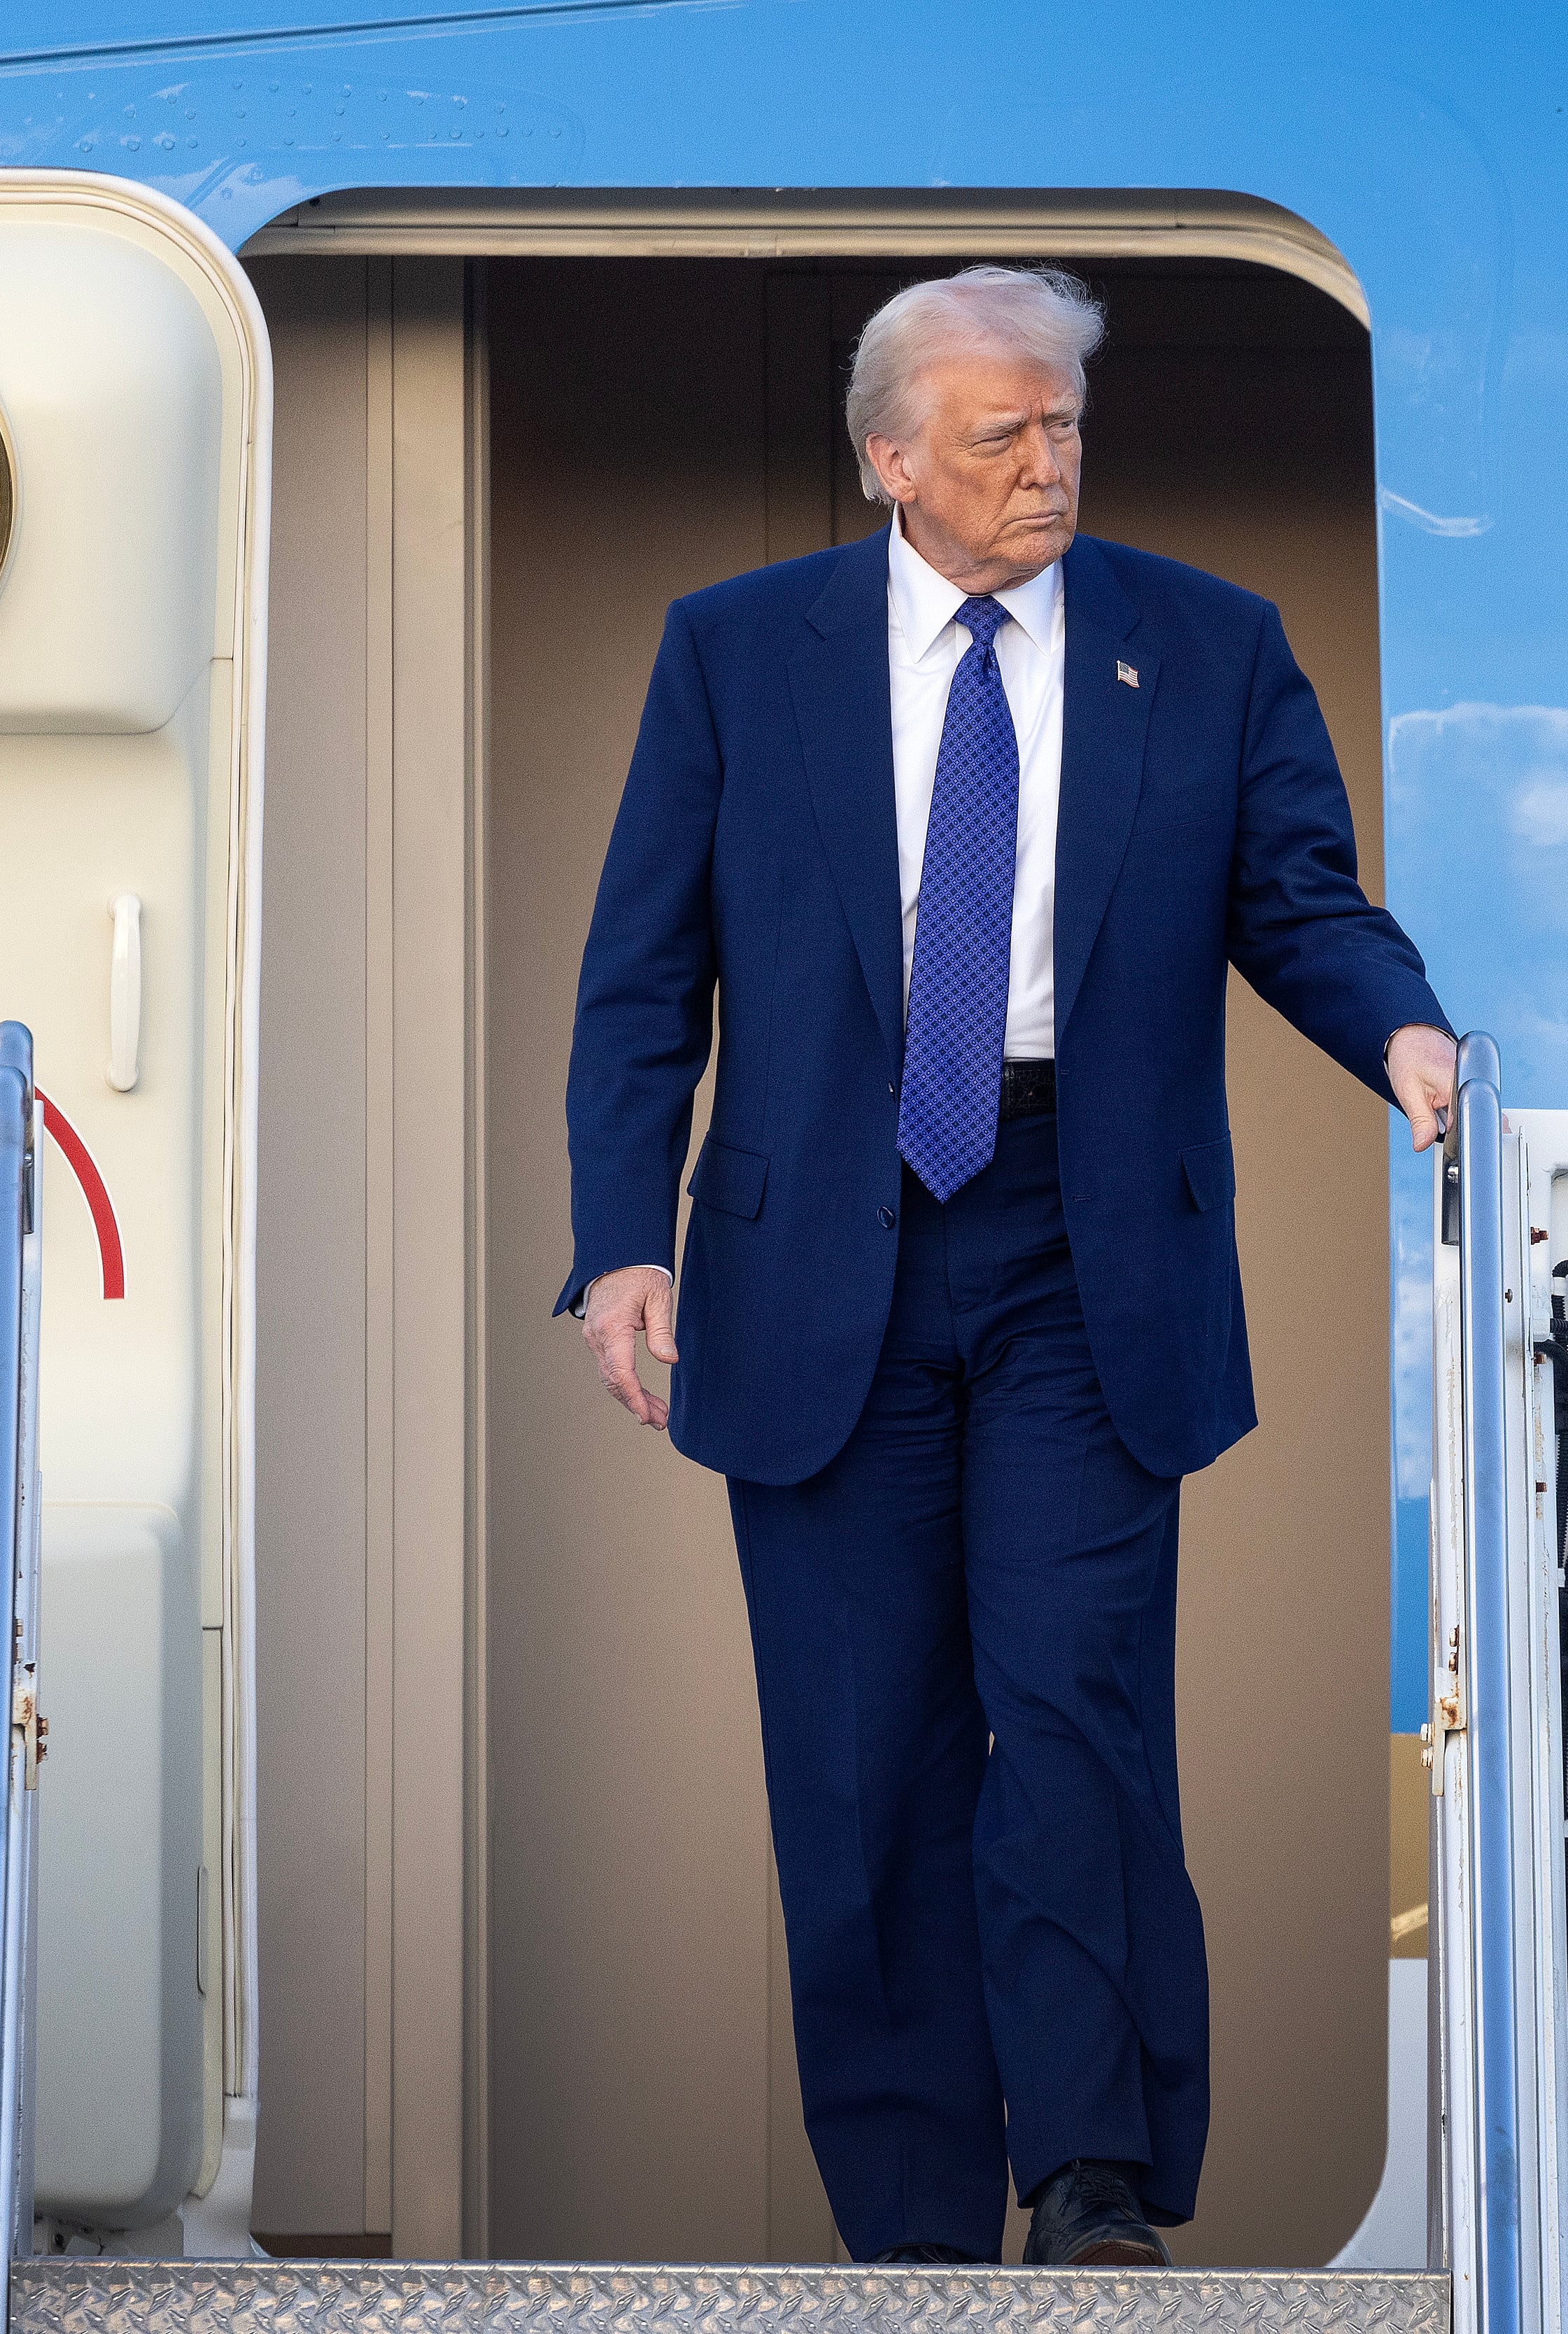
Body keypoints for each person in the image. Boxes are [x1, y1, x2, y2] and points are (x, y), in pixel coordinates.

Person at [558, 264, 1455, 2268]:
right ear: (890, 460)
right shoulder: (737, 653)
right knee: (866, 1770)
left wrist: (1400, 1030)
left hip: (1081, 1234)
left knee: (1074, 1716)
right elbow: (643, 976)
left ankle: (1097, 2182)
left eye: (1066, 427)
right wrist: (622, 1242)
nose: (1050, 465)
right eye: (1001, 435)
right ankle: (913, 2243)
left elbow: (1303, 898)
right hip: (818, 1262)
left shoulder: (1204, 645)